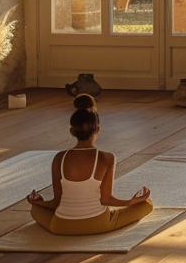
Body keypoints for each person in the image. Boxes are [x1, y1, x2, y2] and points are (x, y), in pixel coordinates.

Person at [25, 95, 154, 235]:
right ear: (98, 129)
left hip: (61, 226)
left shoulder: (59, 158)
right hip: (99, 224)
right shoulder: (107, 158)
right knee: (146, 205)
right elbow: (106, 199)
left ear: (72, 131)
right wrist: (131, 202)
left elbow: (57, 202)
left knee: (35, 209)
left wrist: (37, 202)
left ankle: (40, 207)